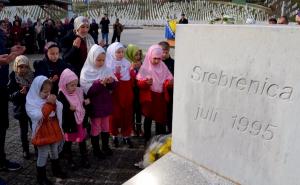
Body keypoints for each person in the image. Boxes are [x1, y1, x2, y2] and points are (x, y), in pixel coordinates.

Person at [0, 0, 26, 173]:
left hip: (1, 84)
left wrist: (10, 50)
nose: (2, 7)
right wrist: (7, 59)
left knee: (2, 125)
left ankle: (1, 161)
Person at [26, 76, 66, 184]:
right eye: (44, 92)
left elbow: (59, 107)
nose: (47, 94)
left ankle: (56, 170)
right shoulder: (31, 101)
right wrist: (49, 104)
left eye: (49, 91)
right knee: (43, 153)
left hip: (53, 128)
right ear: (36, 90)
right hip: (42, 131)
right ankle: (41, 177)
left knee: (54, 150)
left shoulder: (47, 98)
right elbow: (39, 116)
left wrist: (56, 103)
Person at [80, 44, 116, 158]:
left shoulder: (107, 69)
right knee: (95, 126)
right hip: (95, 105)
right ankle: (96, 149)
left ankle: (105, 146)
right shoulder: (86, 72)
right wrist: (99, 84)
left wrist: (111, 82)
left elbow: (114, 86)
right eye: (98, 60)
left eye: (103, 60)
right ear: (91, 58)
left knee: (106, 126)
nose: (101, 62)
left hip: (105, 103)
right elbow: (88, 91)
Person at [136, 45, 173, 144]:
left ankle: (159, 138)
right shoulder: (145, 67)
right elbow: (139, 82)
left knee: (160, 119)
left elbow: (168, 78)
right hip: (150, 97)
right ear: (150, 56)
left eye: (159, 58)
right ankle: (147, 138)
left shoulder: (163, 66)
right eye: (155, 58)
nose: (157, 61)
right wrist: (146, 83)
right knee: (148, 117)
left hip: (160, 96)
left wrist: (168, 83)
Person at [58, 69, 90, 168]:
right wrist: (68, 108)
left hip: (79, 121)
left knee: (82, 139)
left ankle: (84, 158)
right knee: (68, 141)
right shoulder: (62, 94)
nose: (74, 87)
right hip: (69, 123)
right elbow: (60, 109)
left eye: (75, 84)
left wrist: (86, 101)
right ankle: (69, 159)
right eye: (71, 85)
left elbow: (84, 100)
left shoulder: (79, 91)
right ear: (64, 84)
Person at [106, 42, 134, 148]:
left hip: (126, 92)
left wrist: (132, 74)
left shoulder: (126, 63)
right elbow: (110, 80)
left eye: (122, 52)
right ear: (113, 52)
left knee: (126, 115)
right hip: (115, 94)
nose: (121, 54)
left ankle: (126, 135)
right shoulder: (109, 64)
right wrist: (116, 74)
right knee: (114, 116)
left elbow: (130, 79)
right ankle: (114, 135)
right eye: (118, 52)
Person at [8, 55, 34, 159]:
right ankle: (25, 150)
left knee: (35, 129)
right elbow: (10, 96)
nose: (23, 69)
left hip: (32, 108)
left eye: (25, 66)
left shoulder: (32, 76)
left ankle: (37, 147)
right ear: (16, 66)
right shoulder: (13, 77)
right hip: (21, 109)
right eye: (20, 66)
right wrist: (19, 93)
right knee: (24, 131)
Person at [125, 44, 143, 136]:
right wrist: (132, 69)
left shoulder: (142, 64)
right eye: (136, 55)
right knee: (131, 111)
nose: (138, 57)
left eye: (139, 54)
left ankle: (139, 128)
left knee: (139, 111)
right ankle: (132, 128)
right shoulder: (127, 64)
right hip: (131, 92)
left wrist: (140, 69)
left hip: (139, 92)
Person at [158, 41, 174, 134]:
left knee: (169, 115)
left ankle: (170, 133)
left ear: (169, 51)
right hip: (159, 94)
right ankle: (160, 134)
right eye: (161, 52)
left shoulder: (173, 63)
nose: (163, 54)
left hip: (170, 94)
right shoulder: (156, 62)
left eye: (166, 52)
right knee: (160, 116)